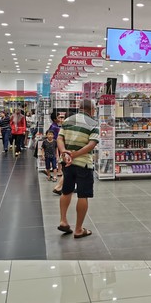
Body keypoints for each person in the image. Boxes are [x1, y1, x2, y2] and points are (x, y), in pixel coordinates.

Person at [56, 99, 100, 239]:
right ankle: (78, 229)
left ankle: (63, 220)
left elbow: (59, 139)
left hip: (67, 163)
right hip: (84, 164)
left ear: (80, 108)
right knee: (83, 195)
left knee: (66, 191)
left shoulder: (68, 120)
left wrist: (65, 153)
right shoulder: (93, 123)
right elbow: (92, 144)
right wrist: (75, 154)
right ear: (91, 109)